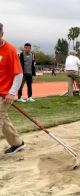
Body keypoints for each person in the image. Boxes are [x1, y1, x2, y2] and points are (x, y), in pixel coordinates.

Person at [0, 23, 26, 154]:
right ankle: (17, 144)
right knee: (2, 118)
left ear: (1, 34)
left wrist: (11, 93)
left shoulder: (10, 50)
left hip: (4, 93)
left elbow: (19, 74)